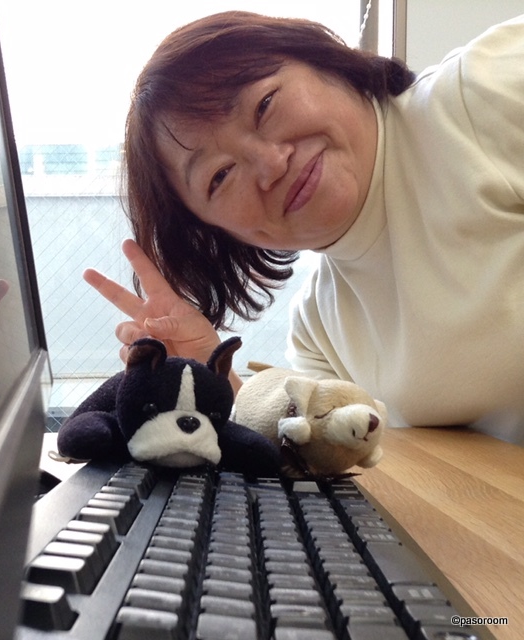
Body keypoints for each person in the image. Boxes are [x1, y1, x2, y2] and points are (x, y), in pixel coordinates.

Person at [84, 11, 524, 428]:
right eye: (220, 176)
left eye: (264, 105)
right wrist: (212, 377)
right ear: (216, 233)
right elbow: (335, 450)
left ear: (320, 58)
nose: (271, 164)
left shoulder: (483, 92)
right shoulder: (320, 329)